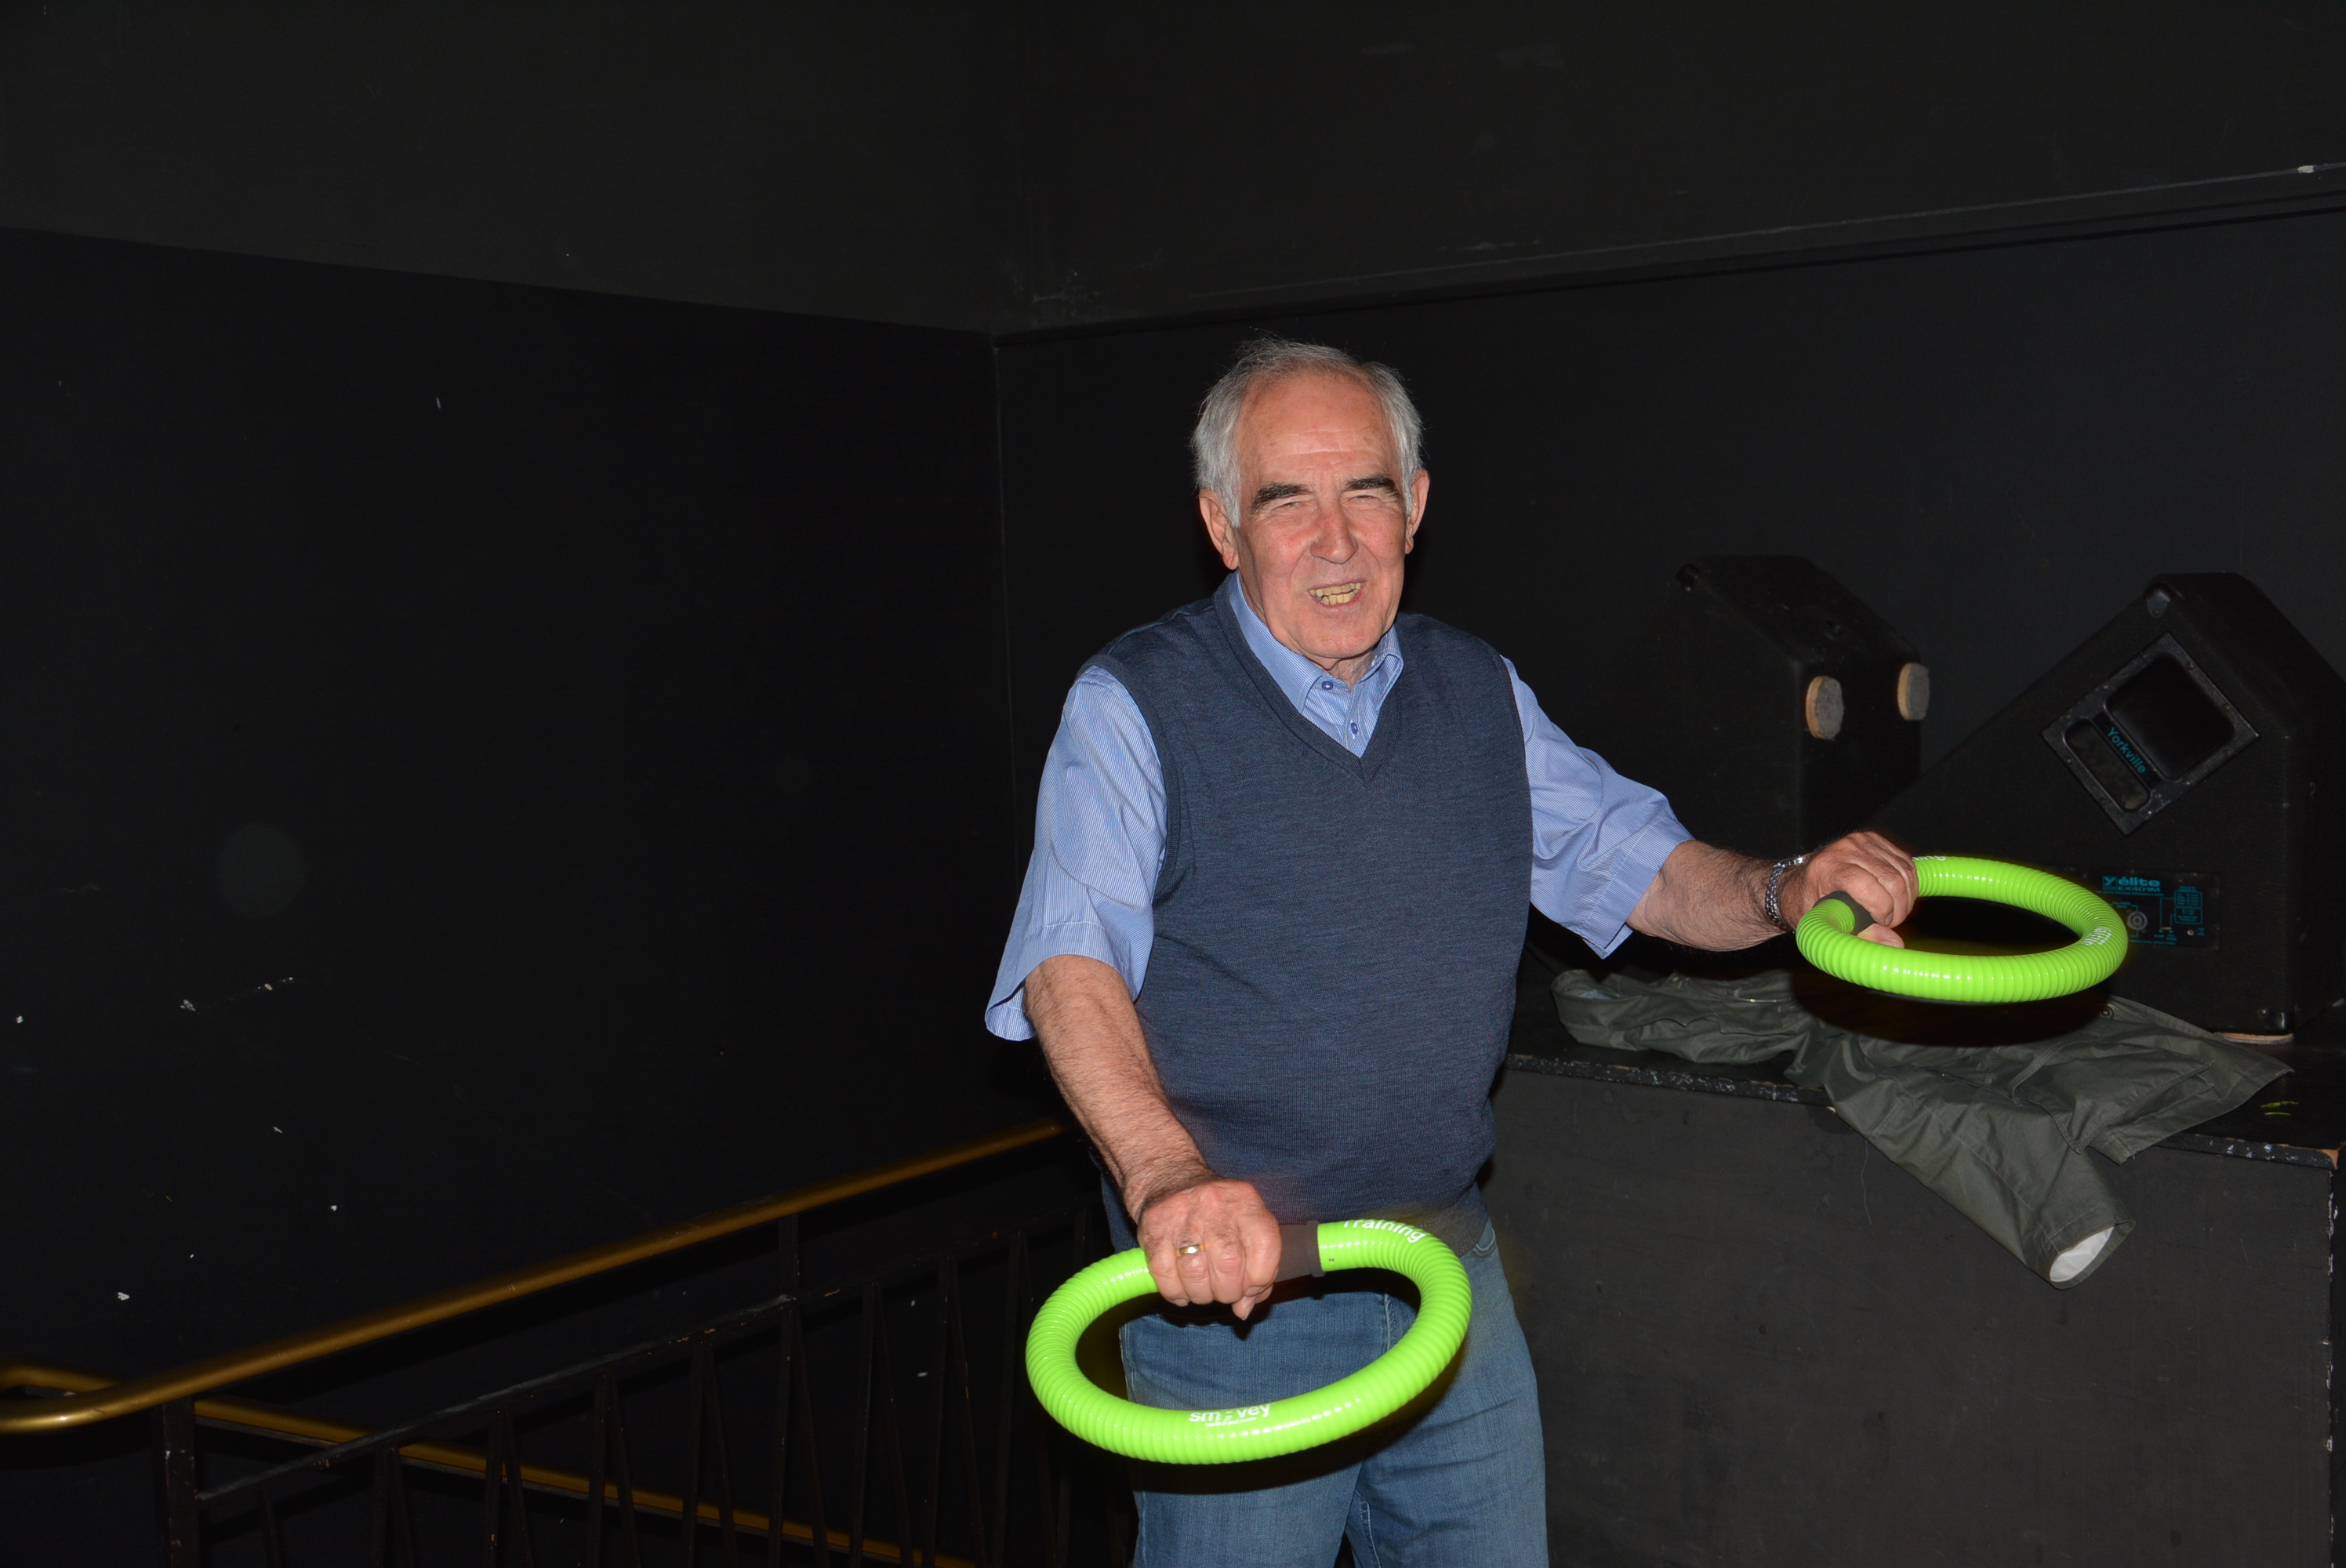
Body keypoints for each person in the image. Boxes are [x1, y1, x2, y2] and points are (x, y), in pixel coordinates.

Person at [985, 338, 1917, 1565]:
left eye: (1365, 491)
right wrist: (1165, 1179)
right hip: (1244, 1307)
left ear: (1415, 506)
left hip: (1449, 1273)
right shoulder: (1134, 703)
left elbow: (1641, 865)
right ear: (1222, 526)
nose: (1335, 540)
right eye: (1287, 500)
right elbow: (1069, 966)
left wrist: (1787, 887)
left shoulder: (1476, 689)